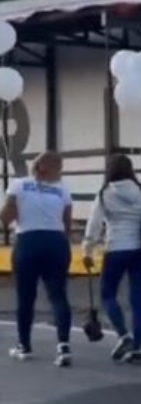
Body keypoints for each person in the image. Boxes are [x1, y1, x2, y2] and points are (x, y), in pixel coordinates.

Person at [1, 151, 74, 366]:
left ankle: (24, 345)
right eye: (59, 167)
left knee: (25, 296)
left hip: (28, 241)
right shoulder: (63, 189)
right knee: (58, 295)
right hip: (56, 241)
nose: (61, 171)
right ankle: (63, 345)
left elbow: (6, 217)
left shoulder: (19, 185)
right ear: (49, 168)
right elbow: (67, 222)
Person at [81, 154, 141, 365]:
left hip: (117, 248)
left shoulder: (105, 194)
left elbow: (94, 225)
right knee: (137, 298)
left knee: (108, 294)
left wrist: (87, 251)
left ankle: (123, 336)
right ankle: (137, 348)